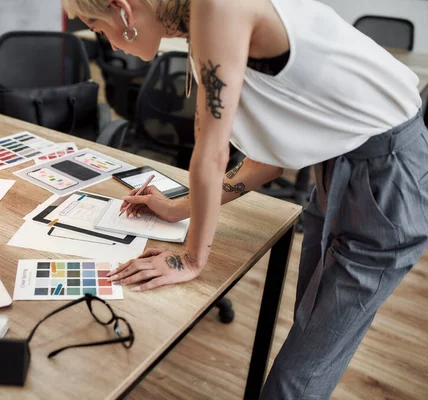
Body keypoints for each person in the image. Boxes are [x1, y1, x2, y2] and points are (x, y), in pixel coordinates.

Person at [63, 0, 428, 398]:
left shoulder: (213, 8)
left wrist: (191, 258)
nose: (110, 45)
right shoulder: (201, 22)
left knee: (296, 378)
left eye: (98, 28)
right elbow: (268, 162)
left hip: (383, 177)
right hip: (343, 164)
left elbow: (212, 152)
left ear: (124, 10)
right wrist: (179, 207)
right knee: (306, 332)